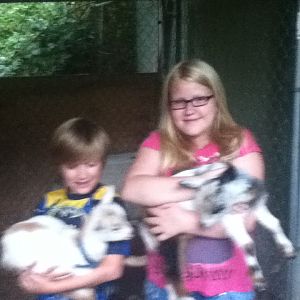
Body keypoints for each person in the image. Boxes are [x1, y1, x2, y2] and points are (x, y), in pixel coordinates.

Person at [121, 59, 265, 299]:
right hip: (167, 284)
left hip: (227, 287)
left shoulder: (239, 143)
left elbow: (246, 219)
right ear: (169, 107)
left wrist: (185, 221)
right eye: (179, 102)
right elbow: (133, 189)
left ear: (216, 99)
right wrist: (205, 184)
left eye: (199, 99)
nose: (189, 110)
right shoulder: (158, 143)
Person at [18, 117, 131, 300]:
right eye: (71, 166)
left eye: (90, 164)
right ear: (59, 166)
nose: (82, 174)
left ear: (102, 163)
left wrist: (51, 286)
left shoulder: (108, 203)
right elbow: (32, 251)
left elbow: (112, 269)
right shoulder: (48, 202)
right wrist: (27, 278)